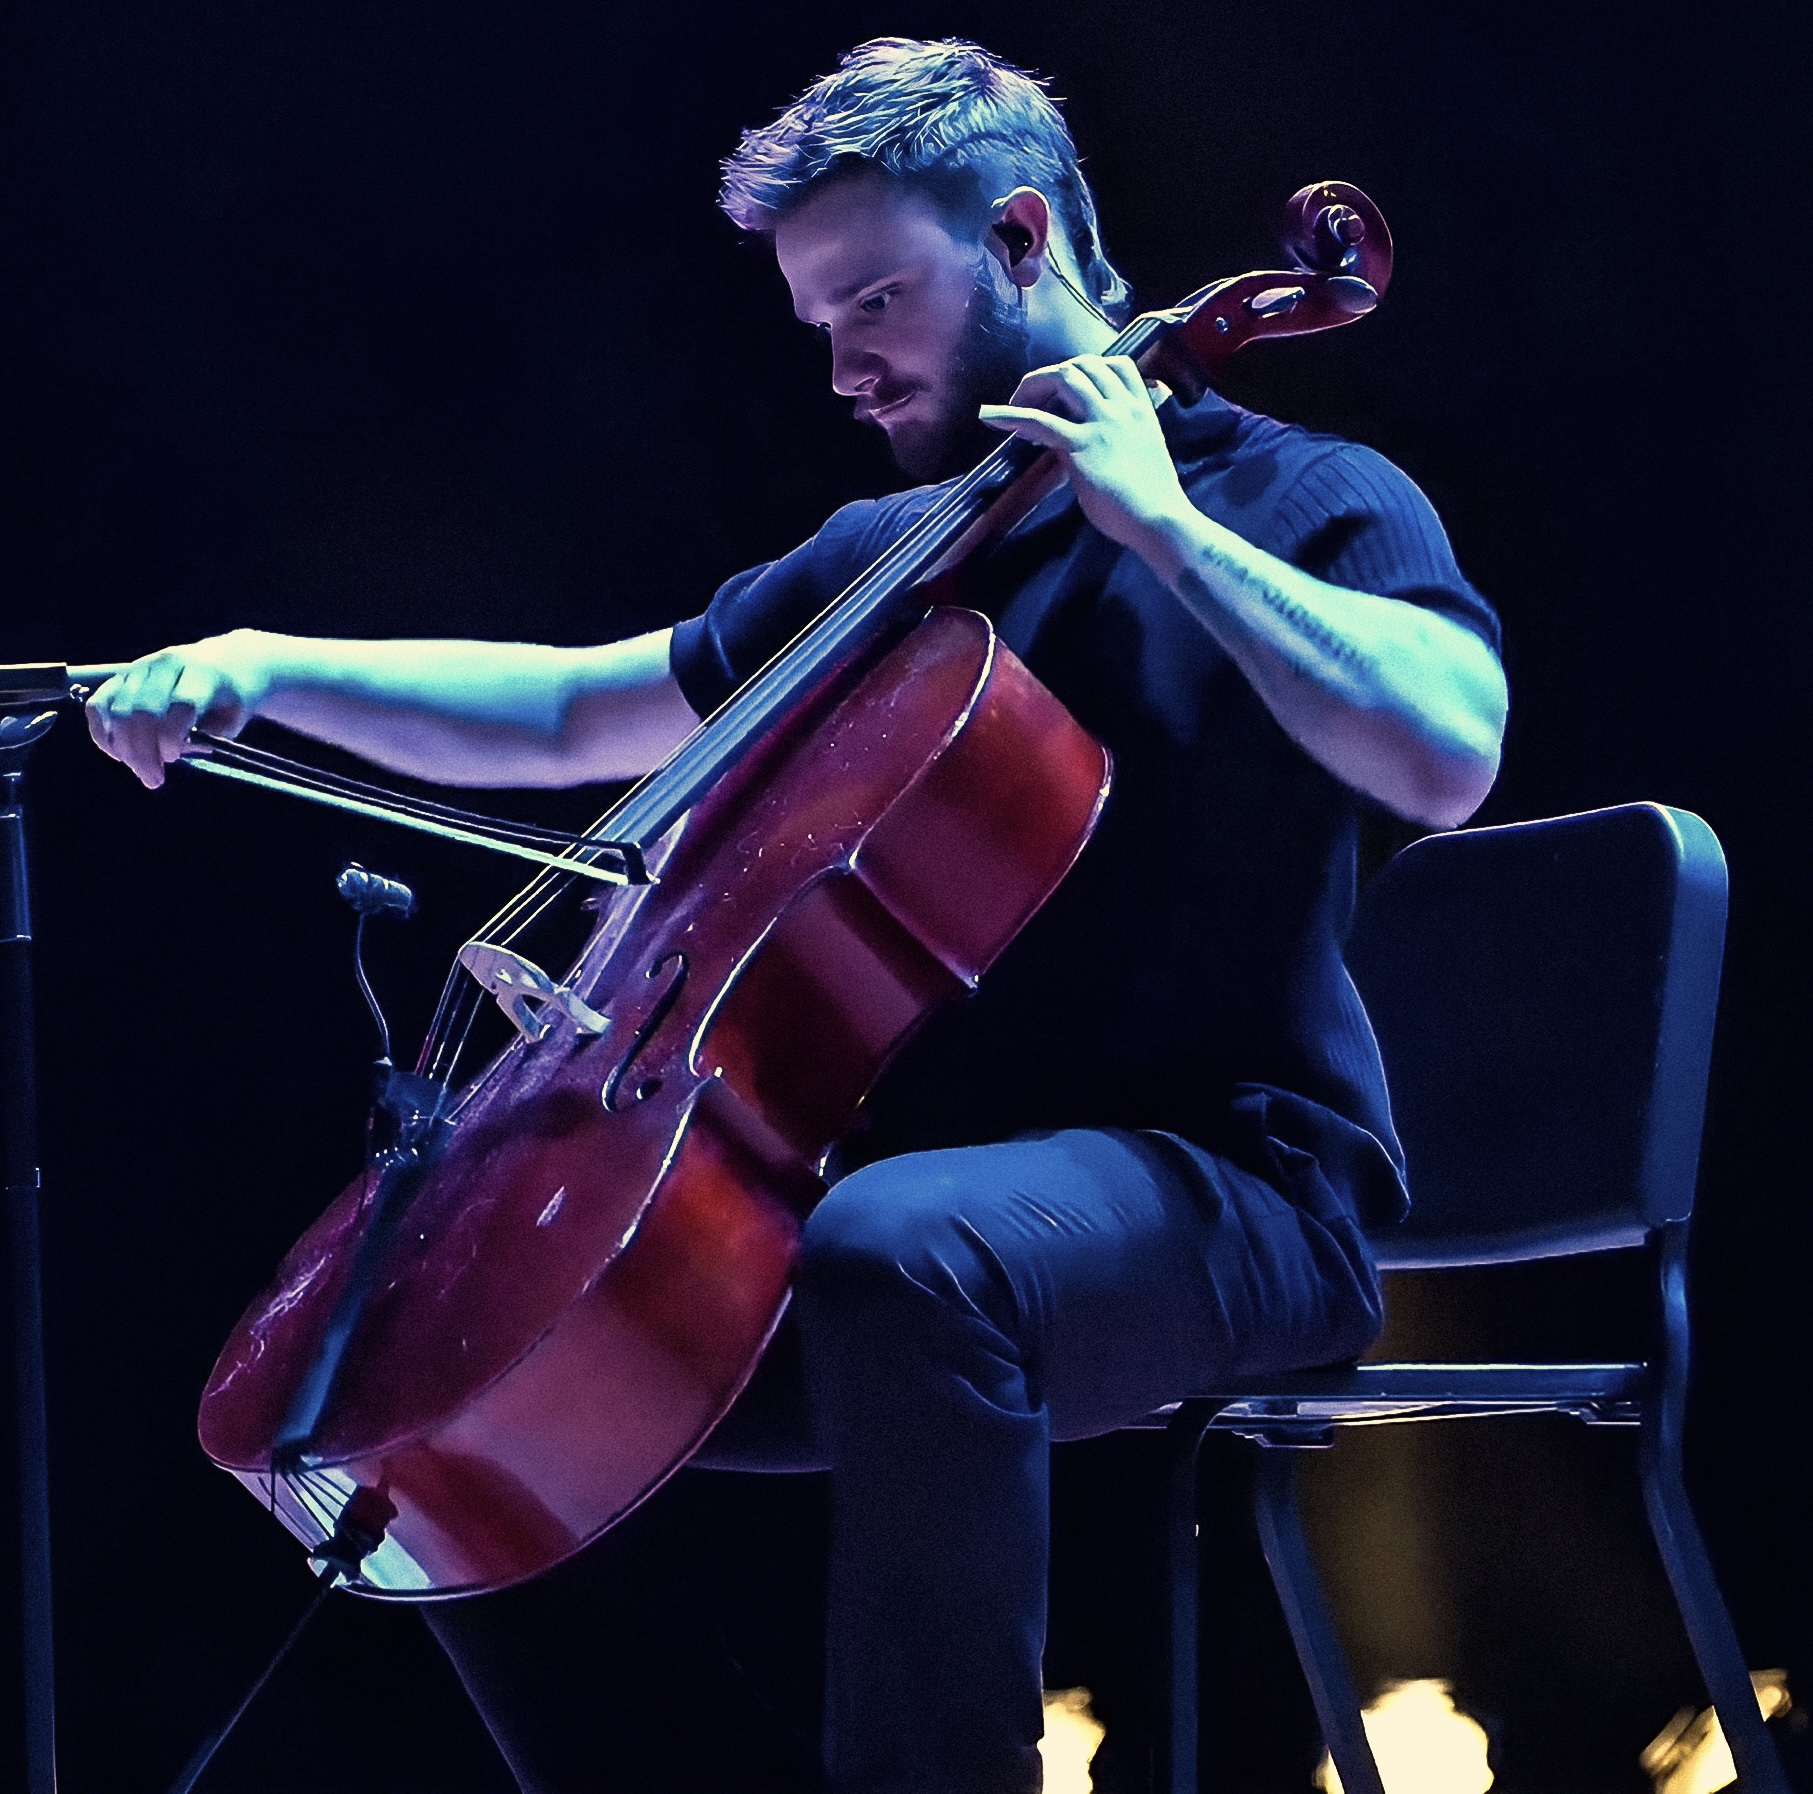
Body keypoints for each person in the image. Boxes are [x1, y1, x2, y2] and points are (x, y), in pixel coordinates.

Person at [87, 37, 1507, 1794]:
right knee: (447, 1415)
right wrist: (265, 665)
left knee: (900, 1253)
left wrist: (1167, 537)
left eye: (876, 301)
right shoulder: (894, 555)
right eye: (818, 319)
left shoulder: (1298, 500)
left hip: (1236, 1189)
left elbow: (1447, 747)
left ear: (1016, 239)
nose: (841, 364)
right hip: (888, 1233)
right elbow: (563, 713)